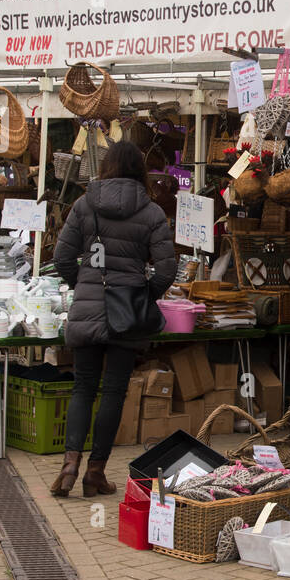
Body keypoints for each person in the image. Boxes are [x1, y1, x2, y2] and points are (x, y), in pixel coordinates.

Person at [52, 141, 177, 498]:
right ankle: (95, 471)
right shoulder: (151, 212)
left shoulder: (84, 204)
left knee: (83, 387)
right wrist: (143, 294)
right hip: (127, 314)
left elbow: (62, 258)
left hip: (87, 309)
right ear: (140, 170)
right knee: (114, 391)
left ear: (106, 166)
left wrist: (84, 285)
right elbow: (167, 269)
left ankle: (69, 464)